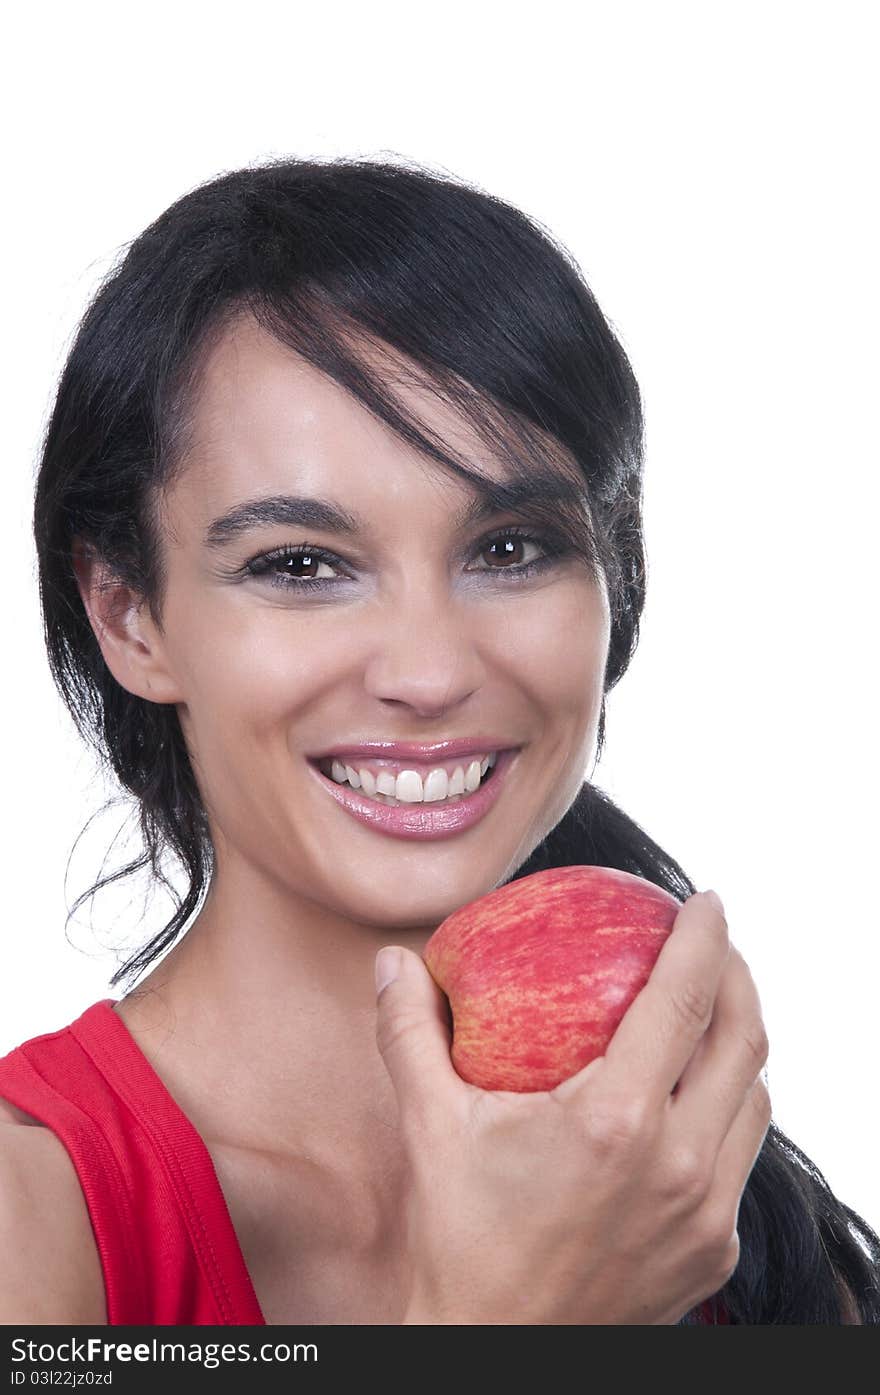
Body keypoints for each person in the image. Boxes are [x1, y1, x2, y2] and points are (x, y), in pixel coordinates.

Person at [1, 156, 877, 1326]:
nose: (429, 672)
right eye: (300, 565)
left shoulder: (687, 1182)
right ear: (129, 615)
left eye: (510, 549)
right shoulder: (33, 1214)